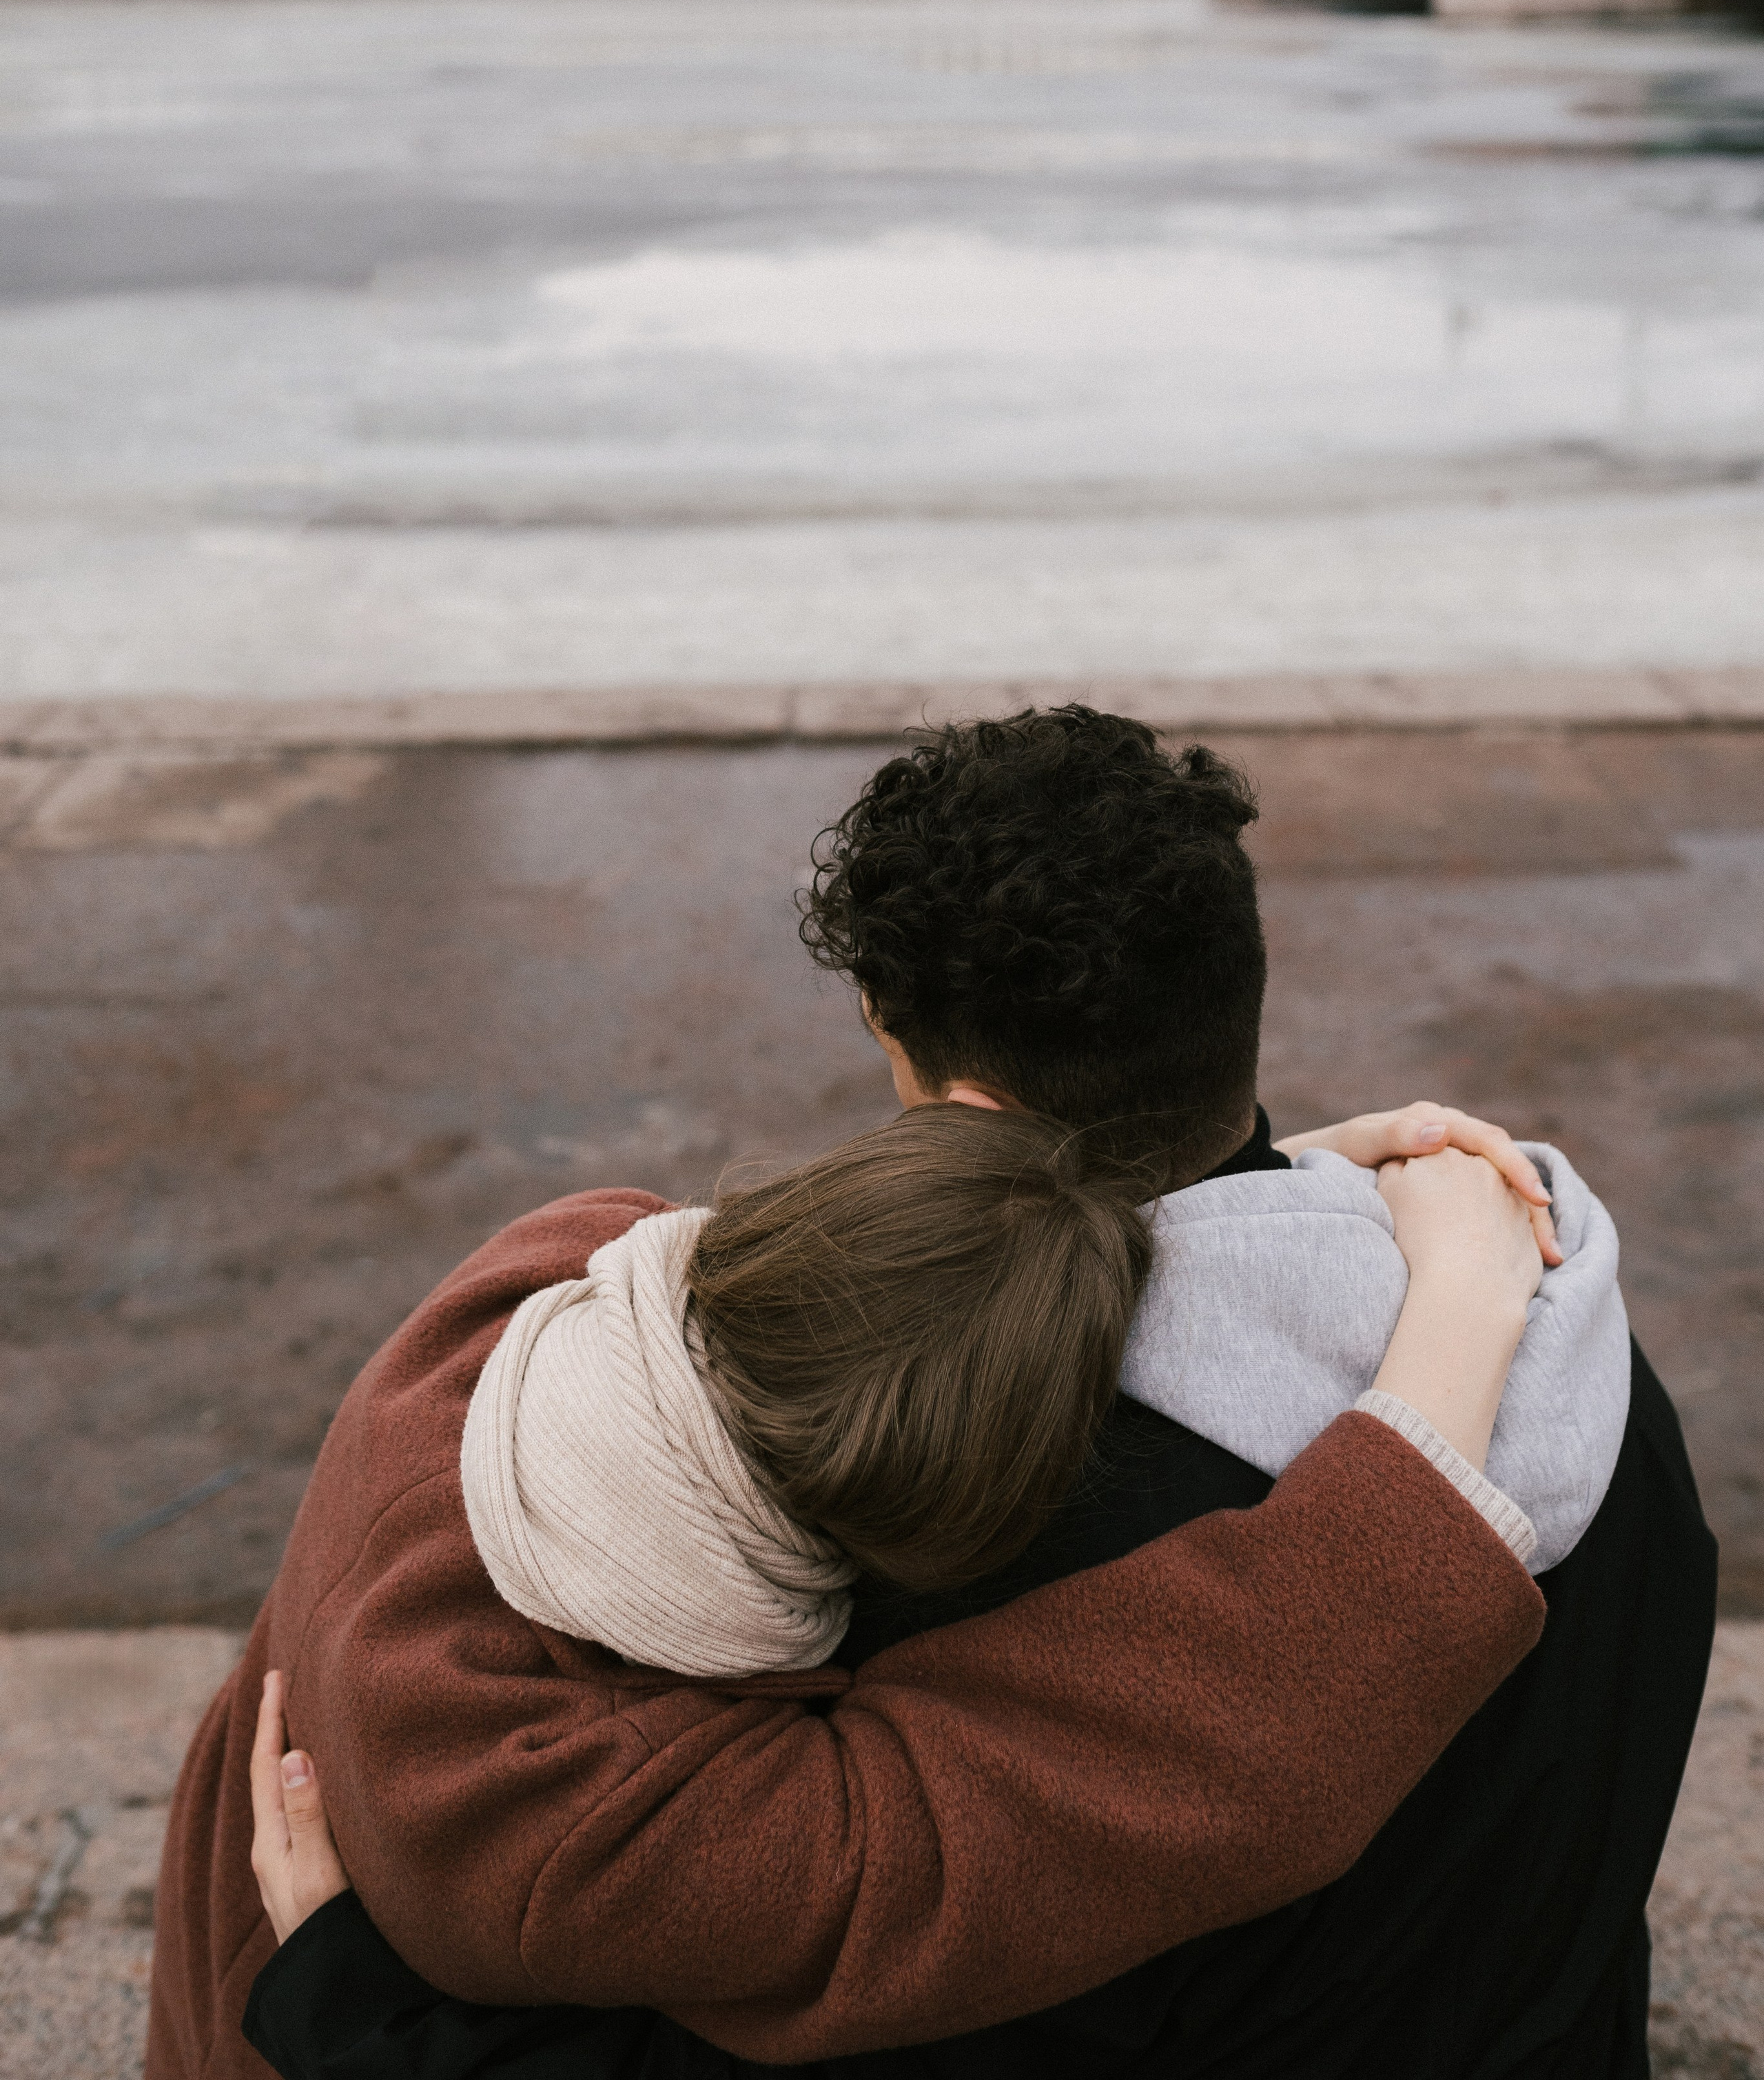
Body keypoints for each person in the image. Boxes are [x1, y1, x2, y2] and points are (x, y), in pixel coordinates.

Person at [240, 707, 1715, 2080]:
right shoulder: (1568, 1335)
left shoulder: (970, 1517)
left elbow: (876, 1979)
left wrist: (359, 2012)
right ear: (1232, 990)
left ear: (941, 1085)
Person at [237, 1127, 1554, 2080]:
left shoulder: (545, 1274)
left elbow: (892, 1296)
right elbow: (1240, 1730)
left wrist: (1264, 1187)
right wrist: (1465, 1307)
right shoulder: (611, 1822)